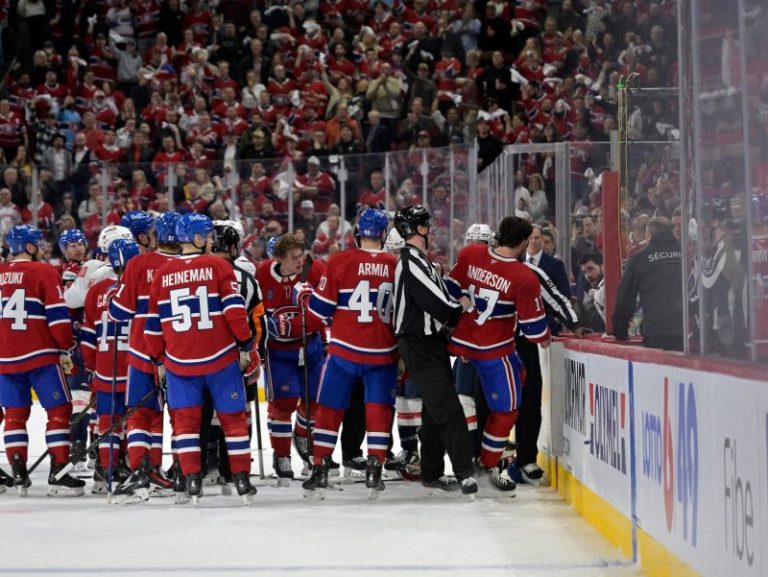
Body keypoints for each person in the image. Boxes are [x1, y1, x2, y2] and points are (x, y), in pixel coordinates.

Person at [145, 213, 257, 505]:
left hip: (180, 362)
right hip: (220, 359)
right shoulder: (218, 266)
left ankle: (191, 480)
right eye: (206, 236)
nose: (210, 241)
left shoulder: (162, 274)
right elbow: (235, 312)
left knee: (185, 424)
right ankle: (241, 479)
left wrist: (159, 360)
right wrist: (246, 342)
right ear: (196, 238)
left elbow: (152, 326)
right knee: (233, 420)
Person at [297, 209, 397, 497]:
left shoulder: (340, 260)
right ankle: (375, 468)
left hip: (344, 351)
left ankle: (320, 467)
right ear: (382, 234)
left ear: (357, 234)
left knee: (330, 408)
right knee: (378, 410)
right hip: (383, 352)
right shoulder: (395, 265)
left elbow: (318, 311)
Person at [446, 216, 551, 493]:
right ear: (525, 241)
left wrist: (466, 310)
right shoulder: (523, 276)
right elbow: (535, 329)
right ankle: (487, 463)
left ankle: (462, 464)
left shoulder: (471, 253)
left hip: (462, 346)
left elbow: (450, 288)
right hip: (494, 351)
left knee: (463, 405)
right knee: (507, 409)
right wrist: (547, 335)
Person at [392, 205, 478, 496]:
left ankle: (431, 471)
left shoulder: (419, 259)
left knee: (433, 410)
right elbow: (440, 305)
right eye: (425, 223)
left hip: (430, 343)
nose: (430, 228)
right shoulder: (411, 260)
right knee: (450, 409)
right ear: (415, 229)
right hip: (419, 344)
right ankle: (465, 472)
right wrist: (460, 307)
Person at [0, 224, 85, 496]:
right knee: (59, 410)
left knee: (15, 414)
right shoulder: (45, 271)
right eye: (38, 243)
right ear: (28, 247)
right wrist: (67, 345)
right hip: (40, 355)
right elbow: (59, 319)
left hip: (5, 357)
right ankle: (59, 470)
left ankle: (18, 470)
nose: (43, 247)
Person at [108, 213, 179, 503]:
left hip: (141, 349)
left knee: (140, 413)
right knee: (177, 414)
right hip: (179, 350)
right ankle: (180, 472)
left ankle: (140, 470)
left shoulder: (138, 263)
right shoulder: (195, 264)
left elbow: (119, 312)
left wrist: (114, 293)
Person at [256, 233, 327, 483]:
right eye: (294, 258)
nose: (301, 261)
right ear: (278, 259)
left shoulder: (315, 270)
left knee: (315, 401)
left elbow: (327, 308)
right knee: (283, 404)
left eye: (302, 255)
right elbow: (252, 310)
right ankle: (282, 455)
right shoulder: (262, 274)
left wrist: (298, 325)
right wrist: (265, 328)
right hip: (279, 353)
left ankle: (302, 435)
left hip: (312, 349)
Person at [200, 220, 266, 486]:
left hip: (197, 357)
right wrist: (253, 351)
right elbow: (258, 323)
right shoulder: (247, 279)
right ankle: (234, 470)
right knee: (237, 416)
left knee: (198, 416)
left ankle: (194, 469)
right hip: (234, 359)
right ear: (231, 246)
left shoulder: (192, 271)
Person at [81, 238, 140, 494]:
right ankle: (131, 467)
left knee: (107, 421)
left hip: (105, 367)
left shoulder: (96, 291)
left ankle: (106, 471)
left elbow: (86, 336)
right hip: (135, 365)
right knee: (135, 420)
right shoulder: (139, 289)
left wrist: (92, 367)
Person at [612, 217, 683, 351]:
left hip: (656, 330)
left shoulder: (640, 258)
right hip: (686, 330)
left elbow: (626, 296)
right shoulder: (686, 253)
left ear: (648, 235)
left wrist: (620, 330)